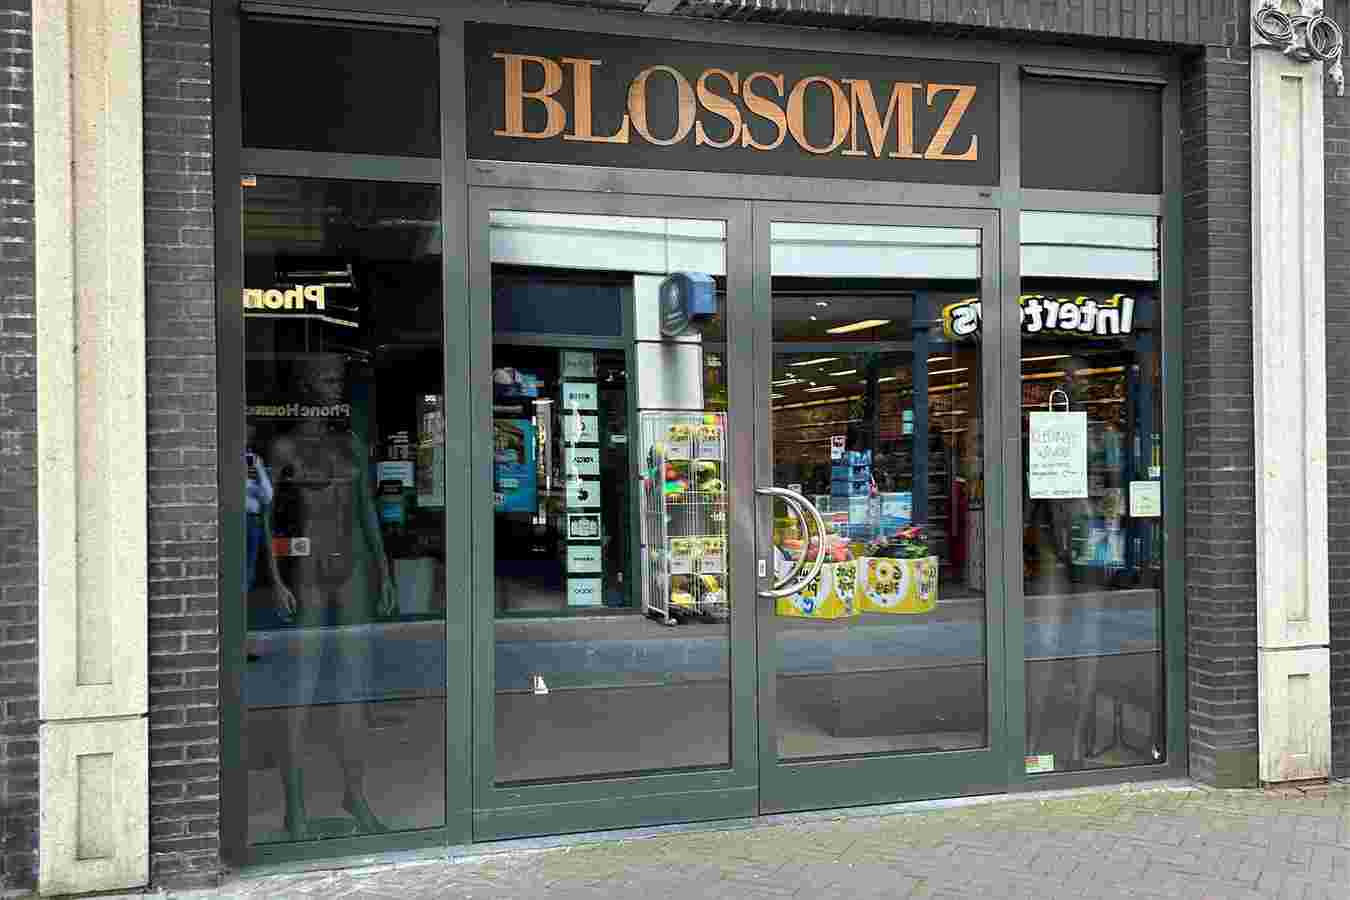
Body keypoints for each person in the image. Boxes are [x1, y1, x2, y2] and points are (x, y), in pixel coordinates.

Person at [265, 353, 396, 839]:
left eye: (338, 377)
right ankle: (294, 809)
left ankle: (355, 795)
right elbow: (262, 516)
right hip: (307, 571)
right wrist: (274, 578)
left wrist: (385, 571)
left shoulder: (351, 444)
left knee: (353, 691)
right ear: (303, 384)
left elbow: (366, 510)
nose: (334, 385)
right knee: (300, 693)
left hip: (354, 567)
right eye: (324, 377)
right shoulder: (284, 446)